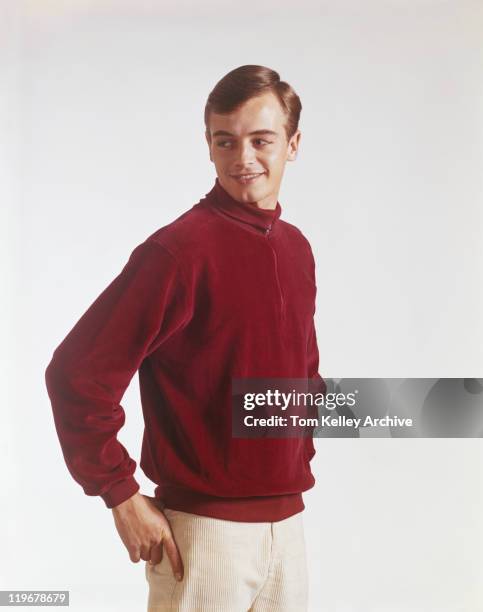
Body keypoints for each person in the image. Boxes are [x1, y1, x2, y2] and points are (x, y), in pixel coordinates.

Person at [45, 64, 326, 611]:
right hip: (203, 535)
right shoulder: (178, 252)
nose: (243, 158)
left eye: (261, 140)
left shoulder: (296, 249)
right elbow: (74, 374)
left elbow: (303, 376)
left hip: (288, 529)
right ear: (209, 145)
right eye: (226, 141)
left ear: (293, 144)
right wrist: (121, 494)